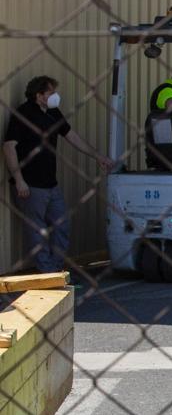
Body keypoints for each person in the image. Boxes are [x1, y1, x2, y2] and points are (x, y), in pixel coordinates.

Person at [3, 76, 113, 273]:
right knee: (37, 231)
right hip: (31, 184)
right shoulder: (23, 114)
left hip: (50, 183)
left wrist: (98, 156)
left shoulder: (53, 113)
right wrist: (19, 180)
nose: (55, 96)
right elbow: (9, 147)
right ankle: (47, 273)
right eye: (51, 92)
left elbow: (71, 136)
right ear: (39, 95)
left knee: (61, 225)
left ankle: (56, 269)